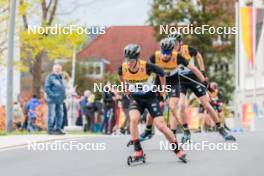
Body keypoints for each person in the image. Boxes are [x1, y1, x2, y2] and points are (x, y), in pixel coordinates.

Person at [118, 44, 187, 162]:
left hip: (150, 98)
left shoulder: (147, 66)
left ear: (137, 58)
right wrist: (125, 88)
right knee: (133, 119)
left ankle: (177, 149)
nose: (129, 63)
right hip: (136, 98)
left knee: (161, 126)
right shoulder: (122, 68)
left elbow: (161, 73)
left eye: (132, 60)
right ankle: (138, 150)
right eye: (127, 60)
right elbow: (121, 77)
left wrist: (163, 89)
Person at [44, 64, 66, 135]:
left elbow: (62, 89)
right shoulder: (50, 77)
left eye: (59, 69)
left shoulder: (61, 78)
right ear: (53, 70)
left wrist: (64, 96)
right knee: (52, 114)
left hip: (60, 100)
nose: (58, 70)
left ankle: (58, 129)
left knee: (60, 114)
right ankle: (50, 129)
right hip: (52, 100)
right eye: (56, 69)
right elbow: (47, 88)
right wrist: (52, 95)